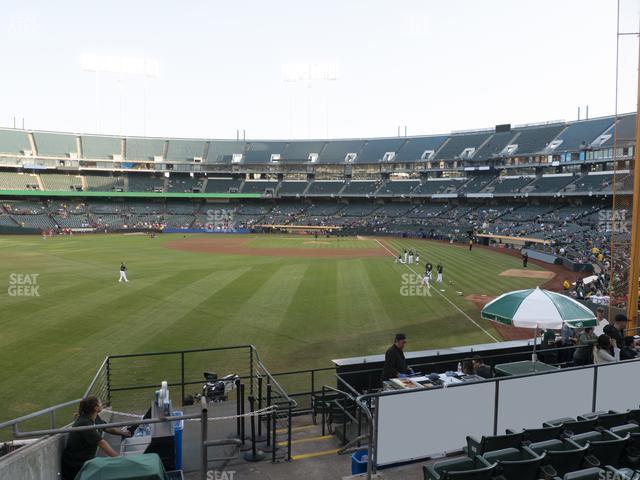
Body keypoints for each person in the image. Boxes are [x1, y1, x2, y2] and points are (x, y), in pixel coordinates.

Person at [61, 396, 130, 480]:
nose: (102, 404)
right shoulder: (84, 423)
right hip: (75, 465)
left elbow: (106, 427)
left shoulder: (94, 417)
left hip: (86, 461)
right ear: (96, 408)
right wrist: (119, 458)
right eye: (100, 403)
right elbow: (101, 443)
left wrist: (122, 433)